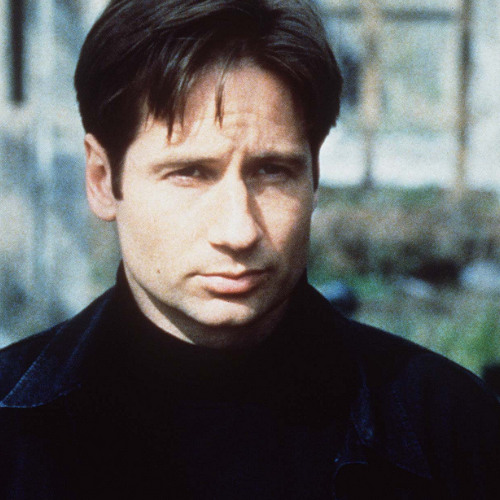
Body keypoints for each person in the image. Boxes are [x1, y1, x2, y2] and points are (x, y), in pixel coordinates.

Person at [0, 0, 499, 498]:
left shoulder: (452, 429)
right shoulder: (12, 432)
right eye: (190, 173)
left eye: (272, 172)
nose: (239, 231)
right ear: (102, 180)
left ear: (315, 176)